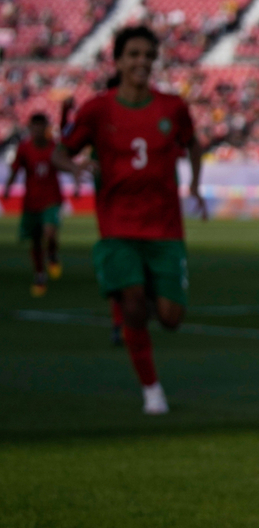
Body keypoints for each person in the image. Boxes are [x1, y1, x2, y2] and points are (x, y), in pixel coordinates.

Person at [53, 25, 207, 415]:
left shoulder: (172, 107)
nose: (142, 61)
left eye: (147, 55)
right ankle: (152, 391)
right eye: (133, 54)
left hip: (165, 228)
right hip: (118, 226)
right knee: (135, 306)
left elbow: (192, 142)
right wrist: (73, 166)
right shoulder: (97, 109)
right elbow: (59, 151)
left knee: (171, 318)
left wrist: (194, 187)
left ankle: (135, 300)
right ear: (118, 61)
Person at [4, 112, 67, 297]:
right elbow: (15, 170)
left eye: (42, 126)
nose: (38, 130)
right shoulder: (24, 149)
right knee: (36, 240)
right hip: (31, 201)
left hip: (52, 199)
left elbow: (65, 163)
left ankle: (53, 254)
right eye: (35, 126)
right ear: (30, 128)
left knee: (50, 232)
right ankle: (40, 275)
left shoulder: (54, 148)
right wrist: (8, 188)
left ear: (46, 128)